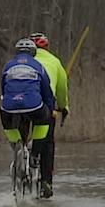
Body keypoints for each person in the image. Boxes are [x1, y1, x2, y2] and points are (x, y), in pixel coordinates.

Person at [0, 38, 56, 197]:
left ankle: (17, 144)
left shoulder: (8, 66)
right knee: (44, 120)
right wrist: (51, 109)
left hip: (9, 106)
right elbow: (47, 93)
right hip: (34, 105)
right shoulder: (39, 66)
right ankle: (35, 154)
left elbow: (3, 90)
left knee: (7, 122)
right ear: (33, 52)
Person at [28, 32, 70, 198]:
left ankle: (21, 156)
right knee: (48, 142)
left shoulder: (23, 60)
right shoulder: (55, 62)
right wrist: (63, 107)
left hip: (18, 104)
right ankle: (46, 182)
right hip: (44, 106)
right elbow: (61, 90)